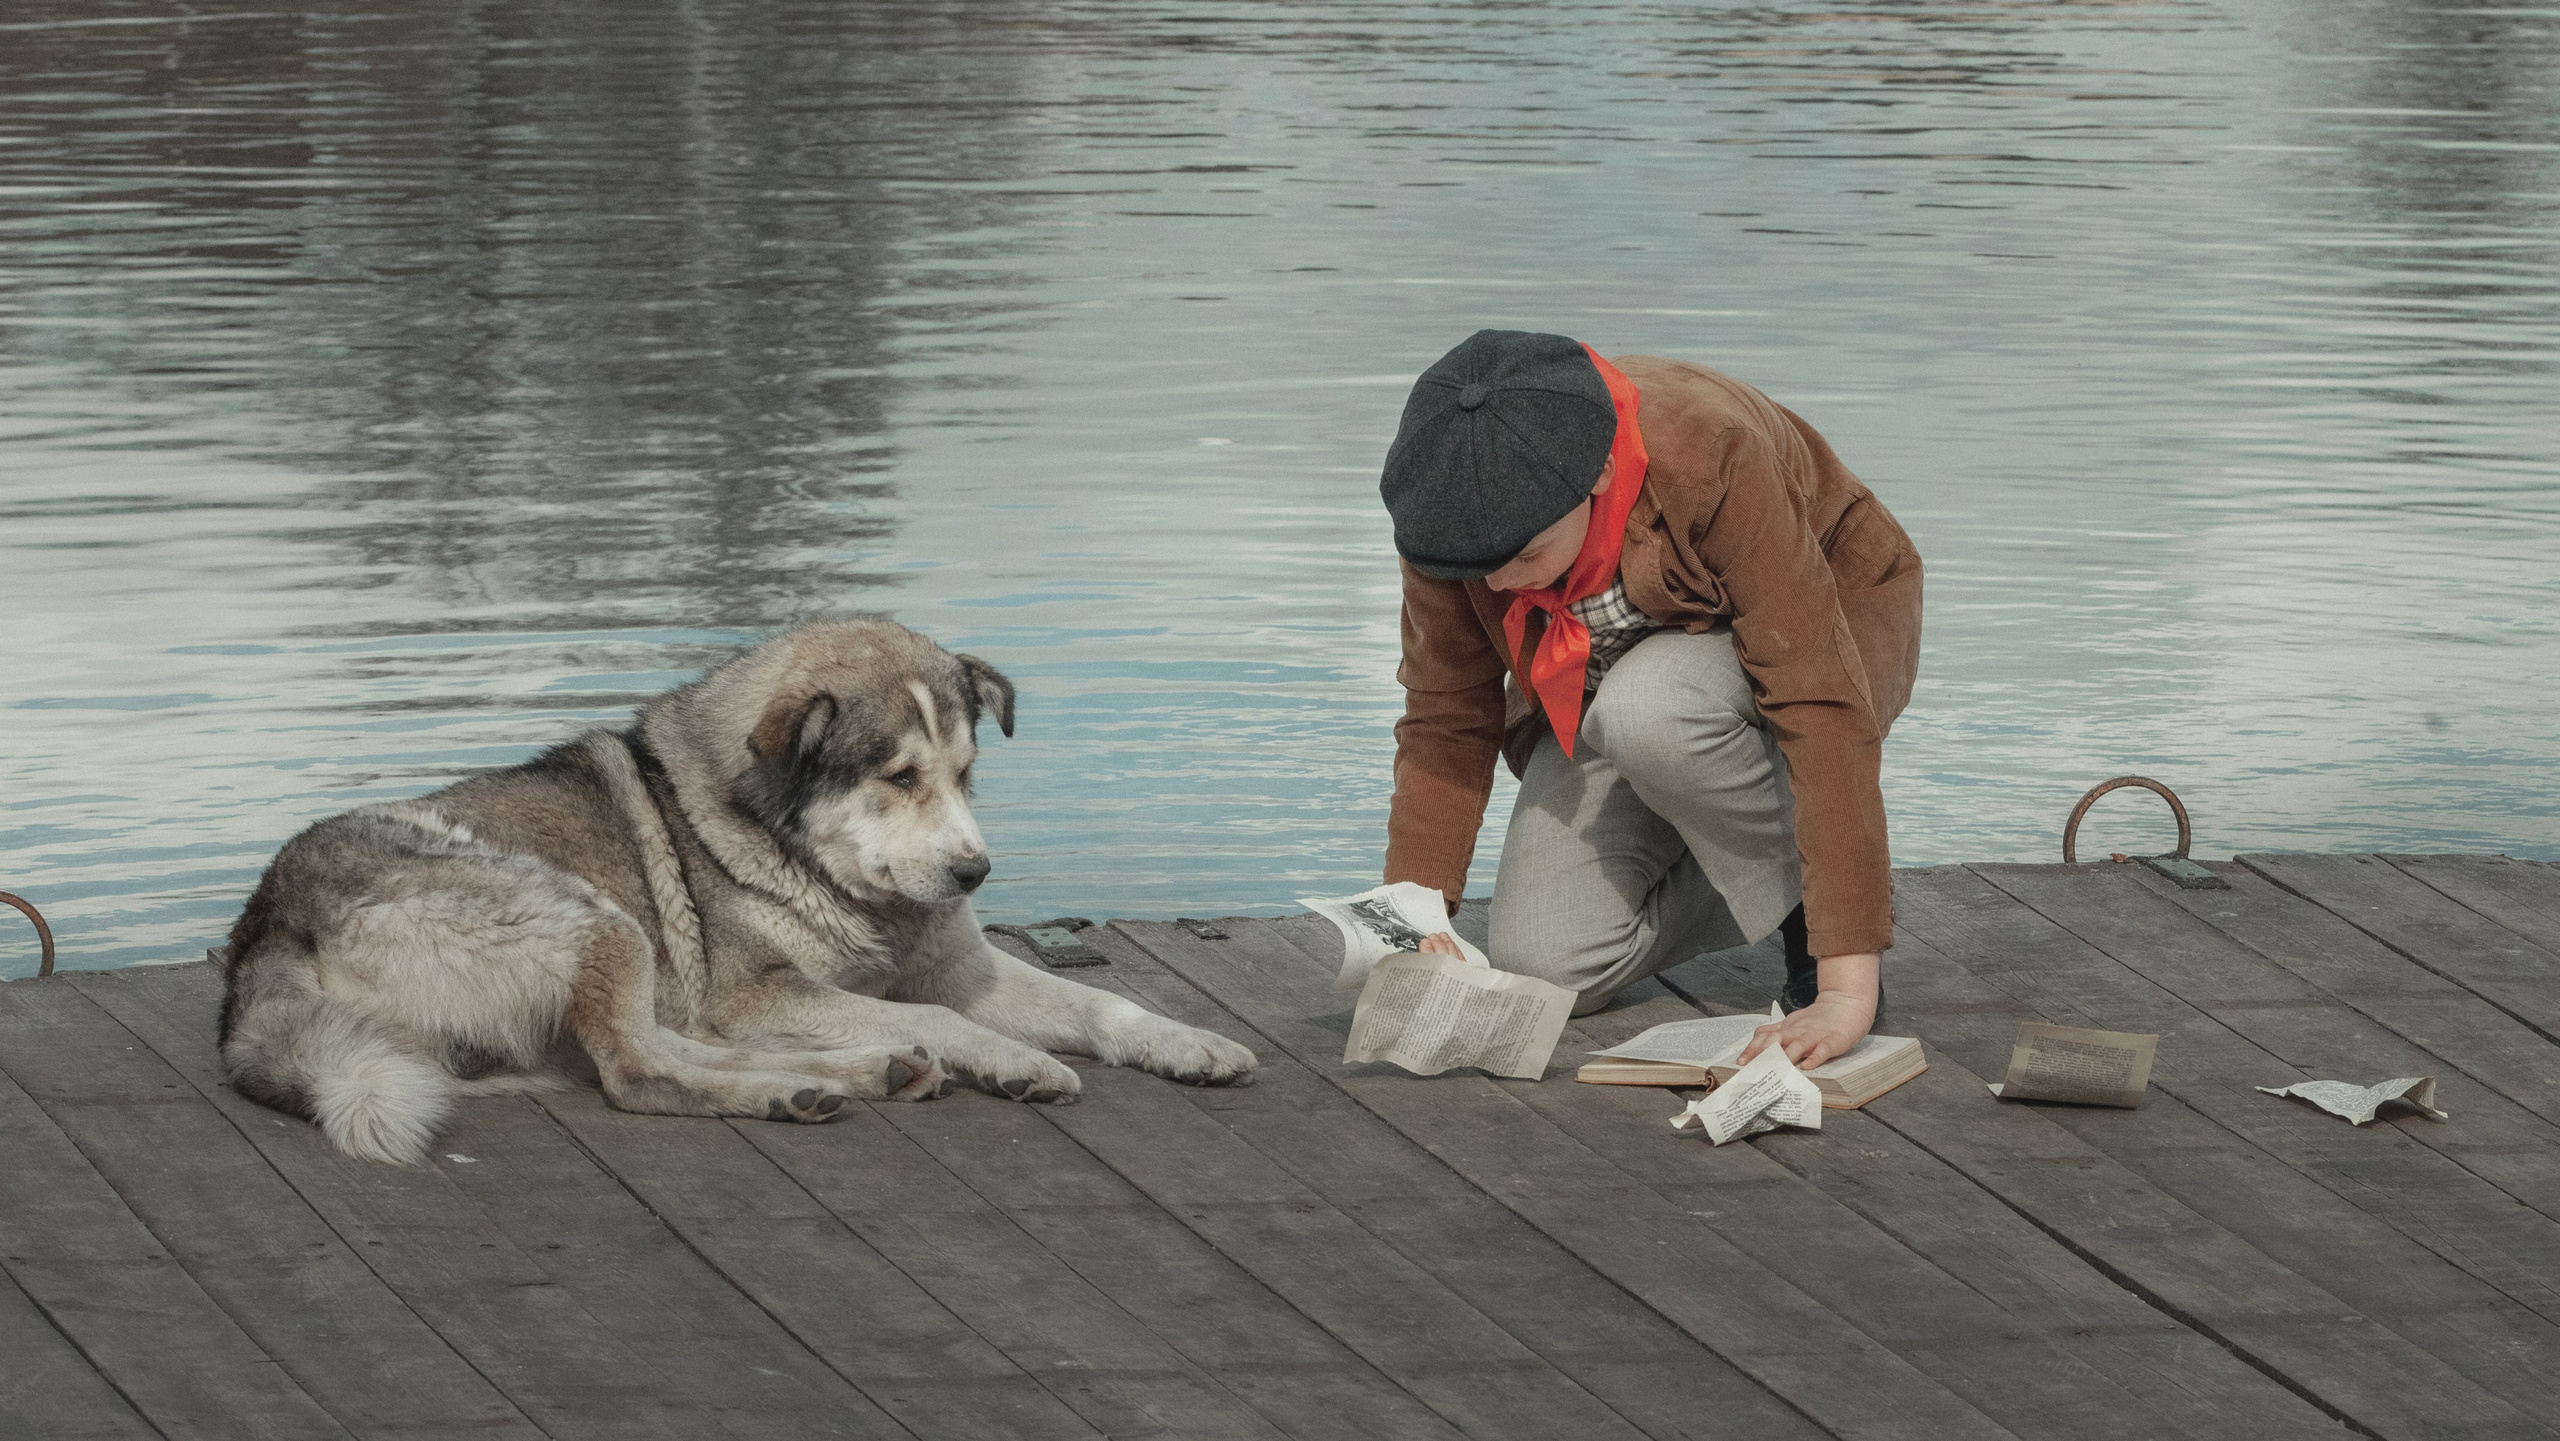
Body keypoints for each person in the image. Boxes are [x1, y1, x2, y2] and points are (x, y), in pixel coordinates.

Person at [1378, 330, 1921, 1070]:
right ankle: (1794, 856)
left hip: (1823, 638)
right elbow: (1447, 714)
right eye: (1480, 568)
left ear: (1599, 473)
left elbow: (1817, 703)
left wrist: (1847, 990)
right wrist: (1413, 919)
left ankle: (1819, 920)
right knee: (1546, 958)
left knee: (1649, 711)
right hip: (1617, 685)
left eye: (1524, 557)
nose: (1500, 585)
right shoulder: (1452, 517)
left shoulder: (1710, 450)